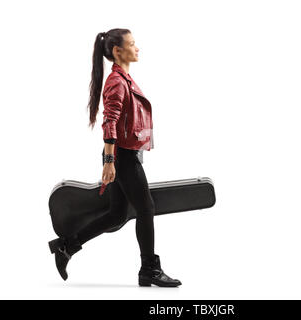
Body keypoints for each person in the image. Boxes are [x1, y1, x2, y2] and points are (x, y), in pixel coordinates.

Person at [48, 28, 181, 287]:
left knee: (117, 214)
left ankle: (66, 247)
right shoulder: (117, 82)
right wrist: (109, 163)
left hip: (124, 154)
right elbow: (110, 122)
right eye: (132, 44)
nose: (137, 48)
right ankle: (149, 270)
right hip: (121, 156)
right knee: (146, 208)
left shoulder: (124, 79)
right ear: (118, 51)